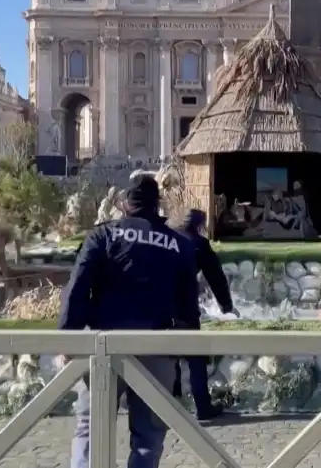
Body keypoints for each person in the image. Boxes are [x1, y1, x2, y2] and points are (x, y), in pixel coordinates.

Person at [59, 175, 200, 468]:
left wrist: (67, 337)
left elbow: (77, 290)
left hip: (104, 347)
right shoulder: (180, 244)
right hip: (157, 347)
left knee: (90, 429)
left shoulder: (102, 236)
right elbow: (189, 305)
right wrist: (188, 348)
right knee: (148, 438)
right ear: (157, 204)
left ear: (124, 204)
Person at [173, 208, 238, 420]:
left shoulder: (166, 237)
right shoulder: (199, 244)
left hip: (161, 307)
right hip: (186, 307)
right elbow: (215, 277)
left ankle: (168, 405)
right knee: (196, 358)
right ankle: (202, 406)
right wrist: (226, 306)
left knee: (167, 355)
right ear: (200, 226)